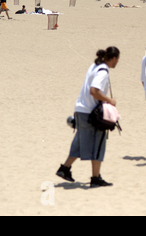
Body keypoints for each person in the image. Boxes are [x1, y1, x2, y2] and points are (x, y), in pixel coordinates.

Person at [56, 46, 120, 187]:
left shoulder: (94, 66)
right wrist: (109, 100)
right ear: (114, 58)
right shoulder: (103, 71)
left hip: (80, 109)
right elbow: (94, 91)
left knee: (80, 142)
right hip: (91, 113)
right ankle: (95, 178)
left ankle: (65, 169)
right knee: (98, 143)